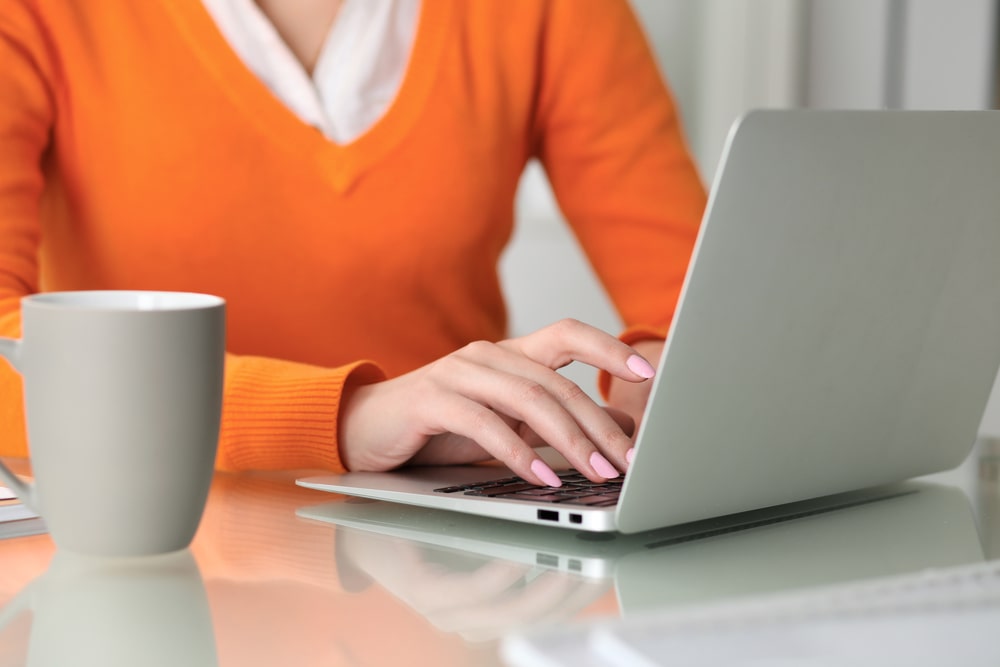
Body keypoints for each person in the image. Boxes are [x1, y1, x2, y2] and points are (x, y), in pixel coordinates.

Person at [0, 0, 706, 487]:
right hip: (137, 557)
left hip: (444, 563)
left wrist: (670, 383)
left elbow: (701, 305)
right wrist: (346, 417)